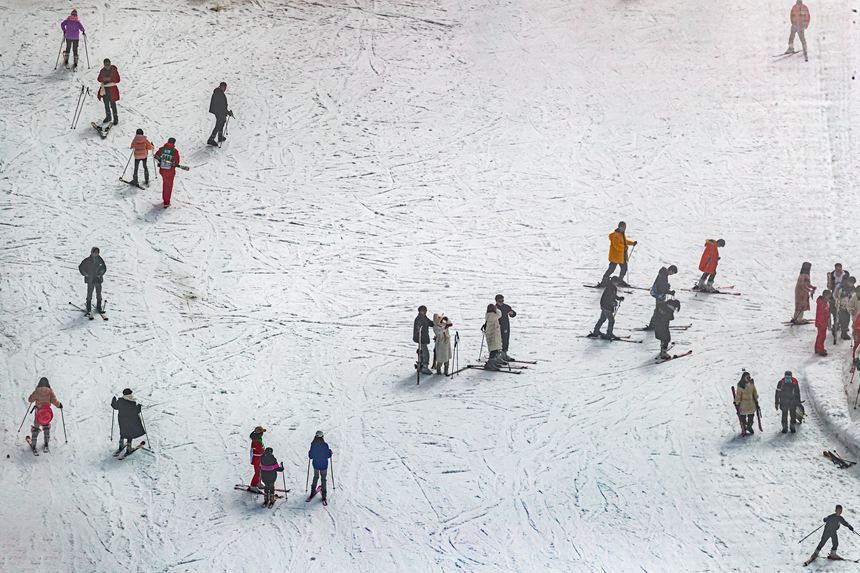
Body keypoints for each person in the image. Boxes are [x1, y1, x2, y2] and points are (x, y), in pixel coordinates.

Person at [27, 377, 63, 453]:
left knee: (36, 428)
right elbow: (54, 401)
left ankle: (33, 444)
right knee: (46, 427)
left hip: (39, 413)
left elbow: (30, 400)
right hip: (47, 414)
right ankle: (46, 443)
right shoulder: (50, 392)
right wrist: (59, 405)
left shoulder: (37, 391)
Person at [599, 222, 636, 287]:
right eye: (623, 227)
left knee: (624, 268)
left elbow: (624, 242)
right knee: (611, 269)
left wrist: (632, 243)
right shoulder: (615, 235)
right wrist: (624, 247)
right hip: (615, 257)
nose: (625, 229)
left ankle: (620, 281)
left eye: (625, 227)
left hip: (621, 257)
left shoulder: (621, 234)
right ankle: (604, 281)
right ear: (619, 227)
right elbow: (616, 245)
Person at [111, 388, 145, 455]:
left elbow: (114, 406)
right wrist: (139, 406)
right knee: (129, 432)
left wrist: (113, 400)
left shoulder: (120, 401)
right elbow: (136, 411)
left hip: (122, 420)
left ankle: (120, 445)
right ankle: (129, 449)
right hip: (131, 420)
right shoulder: (132, 402)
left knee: (123, 430)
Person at [646, 265, 677, 329]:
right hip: (659, 295)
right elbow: (662, 288)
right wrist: (670, 292)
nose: (672, 274)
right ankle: (653, 325)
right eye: (673, 273)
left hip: (659, 295)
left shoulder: (663, 273)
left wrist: (667, 287)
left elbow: (662, 286)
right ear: (671, 270)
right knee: (658, 310)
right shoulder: (664, 275)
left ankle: (654, 324)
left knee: (658, 309)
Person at [78, 246, 106, 317]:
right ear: (92, 252)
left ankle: (99, 306)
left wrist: (100, 274)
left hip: (98, 280)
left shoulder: (100, 260)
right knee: (89, 293)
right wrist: (85, 273)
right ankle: (88, 306)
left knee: (98, 293)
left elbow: (104, 268)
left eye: (97, 252)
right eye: (95, 252)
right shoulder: (87, 260)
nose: (96, 254)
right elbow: (81, 267)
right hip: (90, 280)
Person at [154, 138, 182, 208]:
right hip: (170, 172)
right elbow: (177, 162)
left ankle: (165, 200)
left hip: (162, 171)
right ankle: (166, 202)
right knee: (168, 187)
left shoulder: (162, 149)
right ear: (174, 143)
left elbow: (156, 156)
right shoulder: (175, 151)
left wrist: (160, 162)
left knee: (165, 184)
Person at [307, 431, 333, 503]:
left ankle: (312, 491)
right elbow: (328, 455)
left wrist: (309, 453)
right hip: (324, 465)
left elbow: (311, 456)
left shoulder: (313, 444)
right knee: (323, 479)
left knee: (315, 477)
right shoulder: (325, 445)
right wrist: (330, 452)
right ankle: (324, 495)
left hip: (316, 464)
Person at [207, 82, 233, 146]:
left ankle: (220, 136)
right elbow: (220, 105)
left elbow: (222, 105)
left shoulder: (219, 93)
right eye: (224, 87)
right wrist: (227, 112)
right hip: (218, 111)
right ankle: (211, 139)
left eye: (225, 87)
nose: (225, 89)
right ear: (221, 86)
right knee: (219, 124)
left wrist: (226, 112)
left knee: (222, 122)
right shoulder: (218, 93)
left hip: (219, 111)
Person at [96, 58, 120, 125]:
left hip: (112, 89)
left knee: (113, 104)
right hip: (105, 89)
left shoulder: (114, 70)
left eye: (108, 64)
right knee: (106, 104)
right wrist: (103, 79)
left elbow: (118, 80)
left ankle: (116, 118)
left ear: (110, 63)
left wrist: (109, 79)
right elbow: (98, 79)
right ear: (104, 65)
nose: (107, 66)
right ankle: (108, 117)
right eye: (106, 65)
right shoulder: (102, 71)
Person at [494, 294, 517, 360]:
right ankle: (497, 355)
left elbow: (513, 313)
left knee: (505, 340)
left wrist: (512, 313)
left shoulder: (506, 307)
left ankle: (504, 354)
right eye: (500, 301)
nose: (501, 302)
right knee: (498, 341)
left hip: (505, 326)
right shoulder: (494, 308)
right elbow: (490, 317)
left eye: (502, 300)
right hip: (497, 327)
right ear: (496, 301)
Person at [483, 304, 505, 370]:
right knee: (493, 350)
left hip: (494, 335)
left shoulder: (489, 314)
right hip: (493, 336)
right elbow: (499, 314)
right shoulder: (492, 315)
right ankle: (490, 364)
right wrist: (497, 309)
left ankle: (493, 362)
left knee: (495, 349)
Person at [413, 305, 433, 375]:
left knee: (422, 352)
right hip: (421, 339)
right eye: (423, 311)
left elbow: (430, 323)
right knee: (426, 353)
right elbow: (418, 329)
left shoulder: (424, 317)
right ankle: (425, 367)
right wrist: (419, 335)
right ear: (420, 311)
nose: (424, 312)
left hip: (423, 338)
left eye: (425, 311)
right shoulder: (418, 319)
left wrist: (436, 323)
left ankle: (420, 365)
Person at [835, 276, 856, 342]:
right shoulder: (842, 288)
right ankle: (843, 333)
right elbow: (837, 297)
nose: (851, 284)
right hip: (842, 306)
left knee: (847, 320)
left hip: (848, 306)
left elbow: (854, 296)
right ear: (848, 281)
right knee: (843, 320)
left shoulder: (853, 288)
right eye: (851, 283)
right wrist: (837, 306)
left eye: (853, 283)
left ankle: (844, 329)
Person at [247, 426, 266, 493]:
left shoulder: (258, 438)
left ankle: (258, 483)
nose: (263, 434)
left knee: (261, 471)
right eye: (262, 433)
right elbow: (260, 450)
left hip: (260, 458)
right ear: (259, 434)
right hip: (257, 459)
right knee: (257, 472)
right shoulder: (256, 441)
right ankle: (253, 485)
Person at [815, 290, 832, 356]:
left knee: (820, 336)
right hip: (821, 323)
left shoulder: (825, 303)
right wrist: (823, 324)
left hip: (823, 323)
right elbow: (821, 315)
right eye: (829, 296)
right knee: (822, 337)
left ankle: (817, 348)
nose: (830, 297)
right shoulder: (822, 304)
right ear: (825, 296)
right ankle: (820, 349)